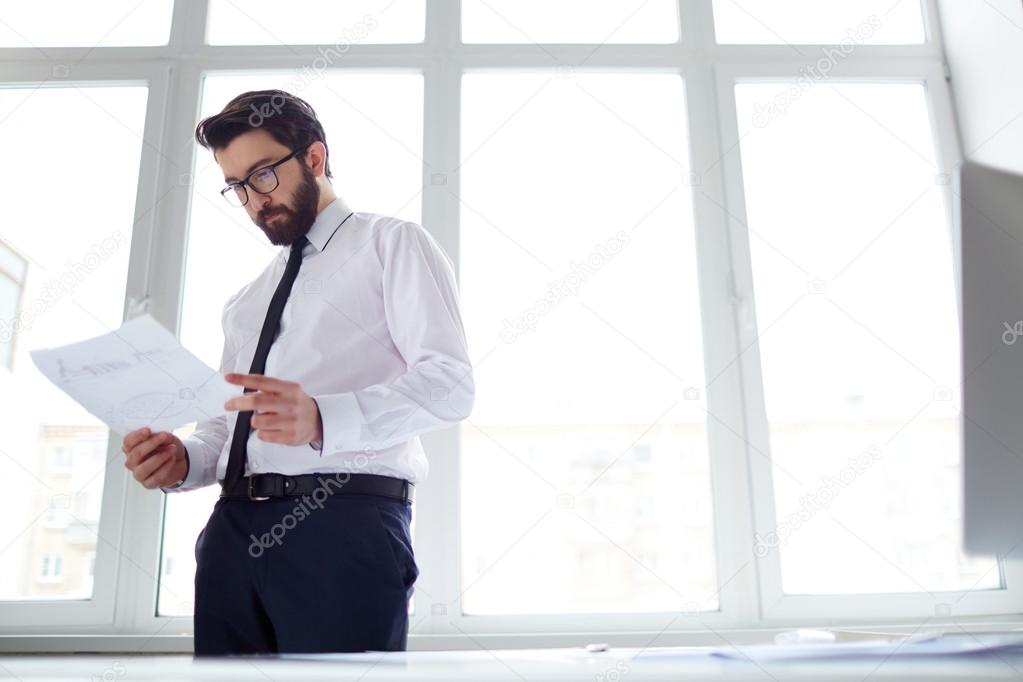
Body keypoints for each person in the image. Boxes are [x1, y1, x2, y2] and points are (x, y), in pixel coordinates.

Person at [120, 89, 474, 655]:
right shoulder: (246, 300)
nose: (253, 200)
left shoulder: (392, 244)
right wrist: (183, 460)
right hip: (231, 535)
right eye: (236, 187)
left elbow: (449, 386)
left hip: (344, 527)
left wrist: (321, 417)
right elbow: (227, 425)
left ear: (313, 158)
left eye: (261, 175)